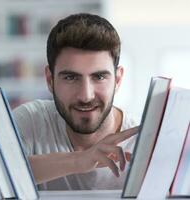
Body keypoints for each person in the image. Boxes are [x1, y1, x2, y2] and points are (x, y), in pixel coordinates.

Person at [13, 13, 139, 190]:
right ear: (50, 80)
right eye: (71, 77)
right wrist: (80, 160)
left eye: (99, 76)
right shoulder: (31, 122)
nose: (86, 96)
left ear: (117, 80)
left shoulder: (142, 144)